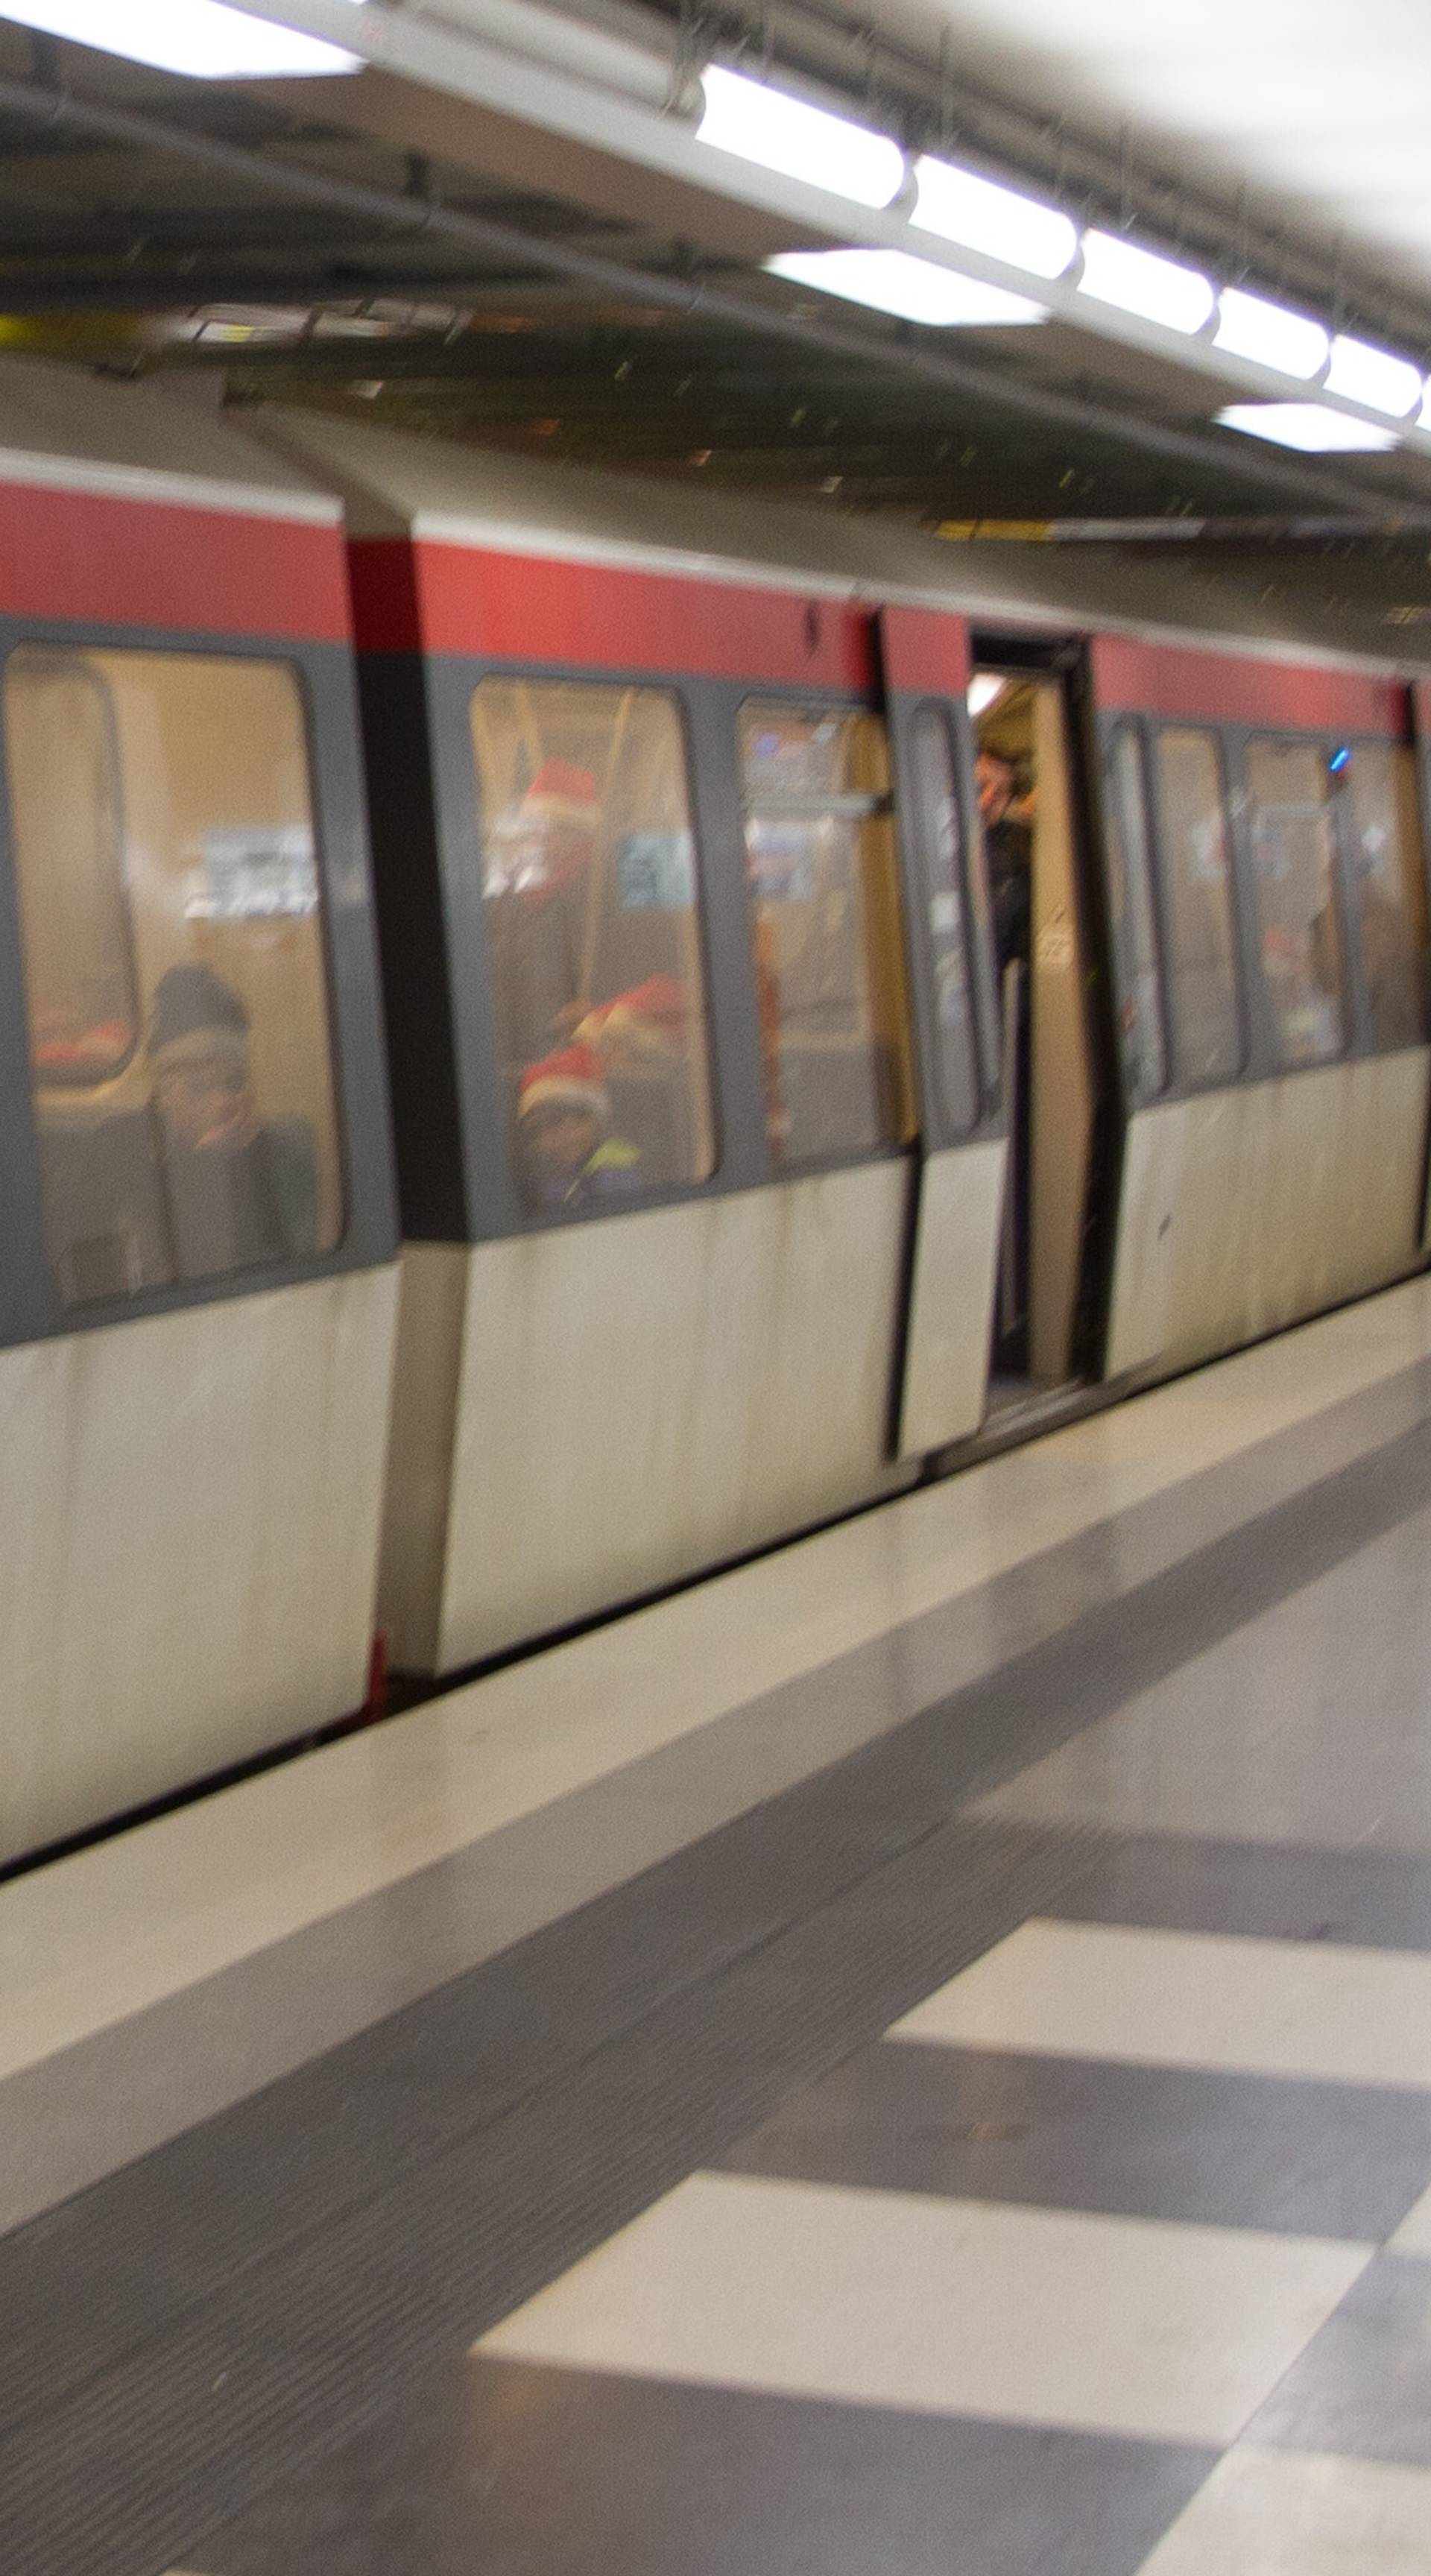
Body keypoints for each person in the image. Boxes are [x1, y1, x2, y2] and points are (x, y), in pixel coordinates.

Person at [147, 962, 317, 1278]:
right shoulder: (126, 1155)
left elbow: (282, 1272)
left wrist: (239, 1167)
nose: (224, 1101)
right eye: (198, 1087)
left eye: (235, 1083)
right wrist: (203, 1171)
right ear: (162, 1097)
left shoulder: (287, 1153)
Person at [515, 1044, 642, 1213]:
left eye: (555, 1122)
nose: (547, 1138)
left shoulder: (615, 1170)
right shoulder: (549, 1171)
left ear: (591, 1120)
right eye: (537, 1130)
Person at [976, 747, 1032, 978]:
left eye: (1000, 793)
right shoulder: (932, 849)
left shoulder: (1017, 864)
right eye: (980, 787)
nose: (988, 799)